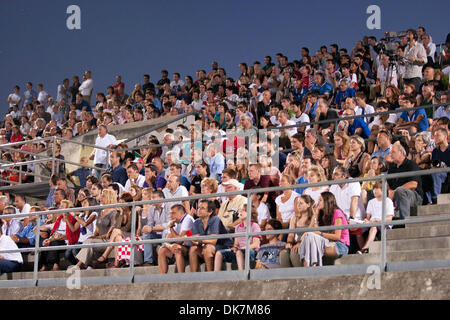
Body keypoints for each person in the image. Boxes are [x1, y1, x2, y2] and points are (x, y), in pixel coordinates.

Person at [299, 192, 350, 266]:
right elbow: (314, 230)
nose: (317, 202)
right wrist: (315, 214)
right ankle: (312, 266)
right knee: (309, 237)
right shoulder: (324, 214)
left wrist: (319, 233)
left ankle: (311, 266)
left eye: (320, 200)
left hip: (341, 246)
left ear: (327, 201)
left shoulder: (337, 213)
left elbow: (337, 236)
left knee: (310, 237)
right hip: (329, 243)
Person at [74, 189, 120, 269]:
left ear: (109, 197)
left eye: (103, 196)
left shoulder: (114, 212)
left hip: (108, 240)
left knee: (89, 242)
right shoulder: (101, 211)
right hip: (100, 239)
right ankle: (85, 264)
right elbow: (97, 229)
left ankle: (79, 264)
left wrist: (96, 237)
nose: (101, 197)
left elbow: (112, 232)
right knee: (88, 240)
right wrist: (94, 236)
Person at [214, 204, 261, 271]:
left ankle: (242, 274)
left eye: (244, 211)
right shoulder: (237, 227)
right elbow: (236, 244)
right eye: (240, 210)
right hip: (240, 250)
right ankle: (216, 276)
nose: (240, 212)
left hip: (252, 251)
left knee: (239, 252)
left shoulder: (255, 226)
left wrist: (242, 248)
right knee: (219, 253)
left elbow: (255, 244)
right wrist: (235, 248)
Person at [189, 200, 232, 272]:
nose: (199, 210)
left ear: (210, 212)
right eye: (198, 208)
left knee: (208, 248)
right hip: (207, 246)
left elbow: (213, 241)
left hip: (224, 246)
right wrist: (192, 240)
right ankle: (194, 276)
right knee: (193, 249)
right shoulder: (196, 222)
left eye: (202, 208)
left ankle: (210, 275)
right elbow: (195, 241)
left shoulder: (215, 219)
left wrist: (199, 240)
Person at [387, 141, 423, 220]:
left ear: (401, 152)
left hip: (414, 196)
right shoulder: (391, 167)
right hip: (397, 195)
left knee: (400, 191)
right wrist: (390, 192)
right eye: (390, 152)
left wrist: (395, 192)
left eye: (393, 152)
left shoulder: (411, 164)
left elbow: (414, 184)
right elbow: (388, 184)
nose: (390, 155)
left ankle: (404, 221)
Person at [357, 181, 394, 254]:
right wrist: (366, 220)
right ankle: (363, 249)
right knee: (357, 230)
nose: (375, 190)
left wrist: (377, 221)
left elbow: (389, 218)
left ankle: (365, 248)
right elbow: (367, 217)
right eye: (374, 188)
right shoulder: (371, 202)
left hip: (383, 223)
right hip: (371, 222)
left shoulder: (388, 201)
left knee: (373, 228)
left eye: (377, 188)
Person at [158, 204, 195, 274]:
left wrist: (171, 228)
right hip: (182, 247)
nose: (171, 216)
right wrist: (170, 246)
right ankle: (162, 277)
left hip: (192, 248)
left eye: (173, 213)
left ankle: (181, 276)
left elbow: (180, 240)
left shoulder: (187, 219)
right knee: (162, 250)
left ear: (181, 213)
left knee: (176, 248)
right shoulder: (174, 222)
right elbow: (166, 241)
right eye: (170, 213)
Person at [280, 194, 315, 268]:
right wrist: (289, 242)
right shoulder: (294, 218)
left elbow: (310, 232)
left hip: (308, 243)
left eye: (301, 203)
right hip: (297, 243)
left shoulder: (313, 217)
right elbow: (291, 235)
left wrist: (300, 243)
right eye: (297, 203)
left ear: (308, 204)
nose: (298, 205)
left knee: (294, 252)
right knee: (284, 253)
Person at [140, 190, 170, 266]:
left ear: (161, 198)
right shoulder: (151, 208)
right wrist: (146, 228)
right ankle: (148, 261)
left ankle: (166, 259)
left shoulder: (168, 206)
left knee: (165, 231)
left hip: (168, 234)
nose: (151, 200)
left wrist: (152, 228)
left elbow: (168, 225)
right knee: (146, 234)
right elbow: (150, 223)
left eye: (153, 197)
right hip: (156, 234)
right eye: (151, 197)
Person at [430, 128, 450, 204]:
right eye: (434, 136)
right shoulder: (435, 151)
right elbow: (434, 164)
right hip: (438, 173)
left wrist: (446, 166)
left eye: (438, 135)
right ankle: (429, 200)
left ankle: (435, 199)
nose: (435, 138)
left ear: (445, 136)